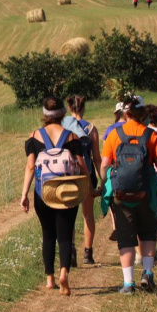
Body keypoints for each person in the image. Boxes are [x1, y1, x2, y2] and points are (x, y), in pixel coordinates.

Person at [21, 97, 90, 295]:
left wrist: (25, 194)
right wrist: (88, 187)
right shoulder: (72, 137)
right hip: (67, 193)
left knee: (48, 235)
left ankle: (50, 279)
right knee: (65, 236)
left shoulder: (35, 136)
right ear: (63, 114)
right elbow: (83, 167)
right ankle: (64, 274)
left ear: (45, 115)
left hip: (43, 193)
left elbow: (30, 167)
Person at [100, 95, 157, 295]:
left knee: (126, 237)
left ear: (126, 113)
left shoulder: (114, 135)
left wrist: (102, 184)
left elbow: (104, 165)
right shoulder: (152, 135)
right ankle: (147, 272)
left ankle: (128, 284)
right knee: (147, 231)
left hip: (121, 194)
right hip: (145, 192)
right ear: (142, 113)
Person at [62, 96, 103, 265]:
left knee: (69, 215)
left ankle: (71, 249)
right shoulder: (91, 128)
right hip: (87, 175)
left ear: (69, 108)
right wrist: (103, 179)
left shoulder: (62, 127)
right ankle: (88, 252)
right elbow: (97, 158)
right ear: (84, 108)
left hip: (69, 175)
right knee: (88, 215)